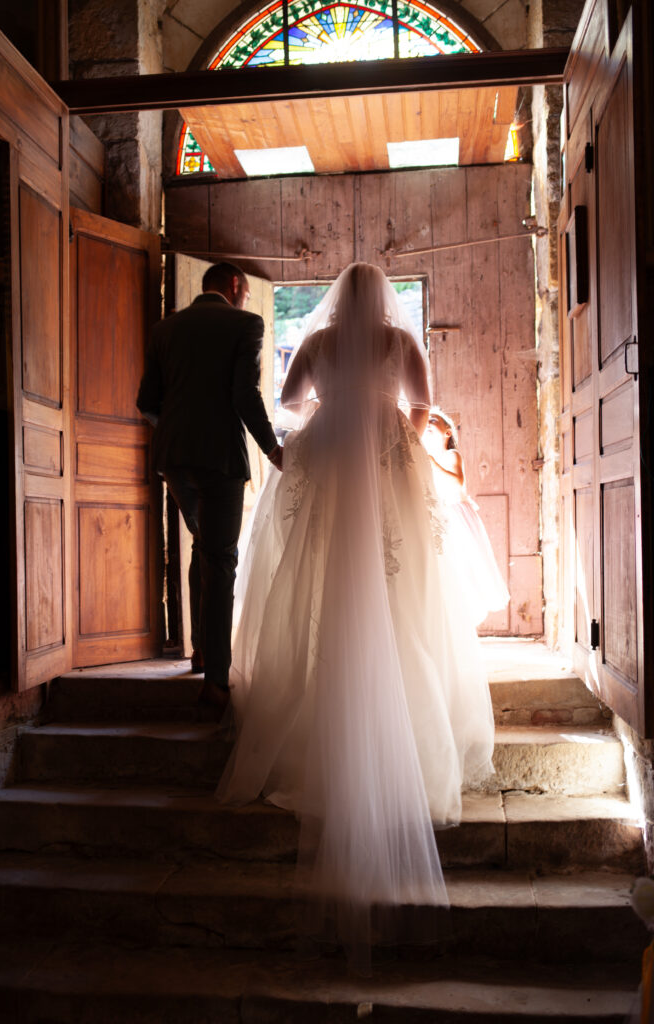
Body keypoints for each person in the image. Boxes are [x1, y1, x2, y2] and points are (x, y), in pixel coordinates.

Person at [216, 262, 494, 971]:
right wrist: (391, 435)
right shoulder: (401, 344)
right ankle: (405, 712)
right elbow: (423, 409)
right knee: (402, 584)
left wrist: (332, 420)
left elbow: (287, 402)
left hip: (334, 454)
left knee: (322, 581)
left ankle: (328, 694)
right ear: (385, 300)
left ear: (338, 300)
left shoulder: (317, 343)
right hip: (387, 457)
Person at [136, 261, 282, 709]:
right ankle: (216, 681)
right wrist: (272, 449)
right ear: (236, 285)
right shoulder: (245, 323)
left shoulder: (165, 330)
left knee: (204, 546)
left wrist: (175, 438)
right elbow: (244, 394)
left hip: (173, 460)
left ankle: (200, 649)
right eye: (246, 292)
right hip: (221, 460)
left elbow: (146, 403)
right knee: (220, 559)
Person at [423, 407, 510, 628]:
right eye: (426, 422)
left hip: (457, 518)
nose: (428, 422)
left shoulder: (450, 455)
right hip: (440, 516)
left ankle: (464, 617)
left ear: (447, 433)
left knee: (465, 566)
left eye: (434, 420)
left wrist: (431, 462)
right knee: (447, 569)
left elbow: (456, 482)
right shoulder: (426, 457)